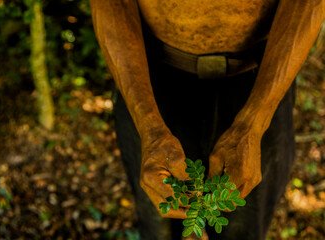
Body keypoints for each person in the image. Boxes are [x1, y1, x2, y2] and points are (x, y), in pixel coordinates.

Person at [89, 1, 325, 239]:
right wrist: (148, 124)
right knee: (159, 225)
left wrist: (255, 122)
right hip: (148, 78)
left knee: (244, 228)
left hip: (263, 77)